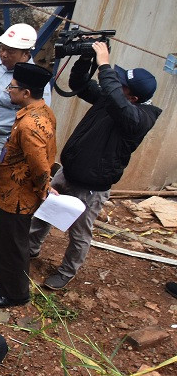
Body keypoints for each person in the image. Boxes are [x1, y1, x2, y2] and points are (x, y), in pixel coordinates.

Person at [29, 45, 162, 290]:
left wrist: (104, 65)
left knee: (79, 234)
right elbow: (79, 83)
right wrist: (87, 56)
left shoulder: (138, 119)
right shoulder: (111, 100)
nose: (115, 85)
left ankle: (67, 271)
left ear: (132, 97)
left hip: (91, 187)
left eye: (121, 84)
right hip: (67, 172)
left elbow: (116, 99)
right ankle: (31, 248)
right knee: (44, 212)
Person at [0, 62, 57, 308]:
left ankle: (14, 293)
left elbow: (40, 164)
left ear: (26, 93)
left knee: (13, 243)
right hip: (9, 190)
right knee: (1, 232)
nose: (7, 91)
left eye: (12, 88)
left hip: (19, 194)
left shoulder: (29, 125)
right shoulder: (41, 112)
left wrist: (45, 188)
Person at [0, 24, 51, 203]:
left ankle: (2, 205)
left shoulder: (34, 79)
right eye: (2, 49)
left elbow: (38, 112)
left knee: (3, 173)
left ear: (25, 54)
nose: (3, 54)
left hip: (4, 136)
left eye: (11, 51)